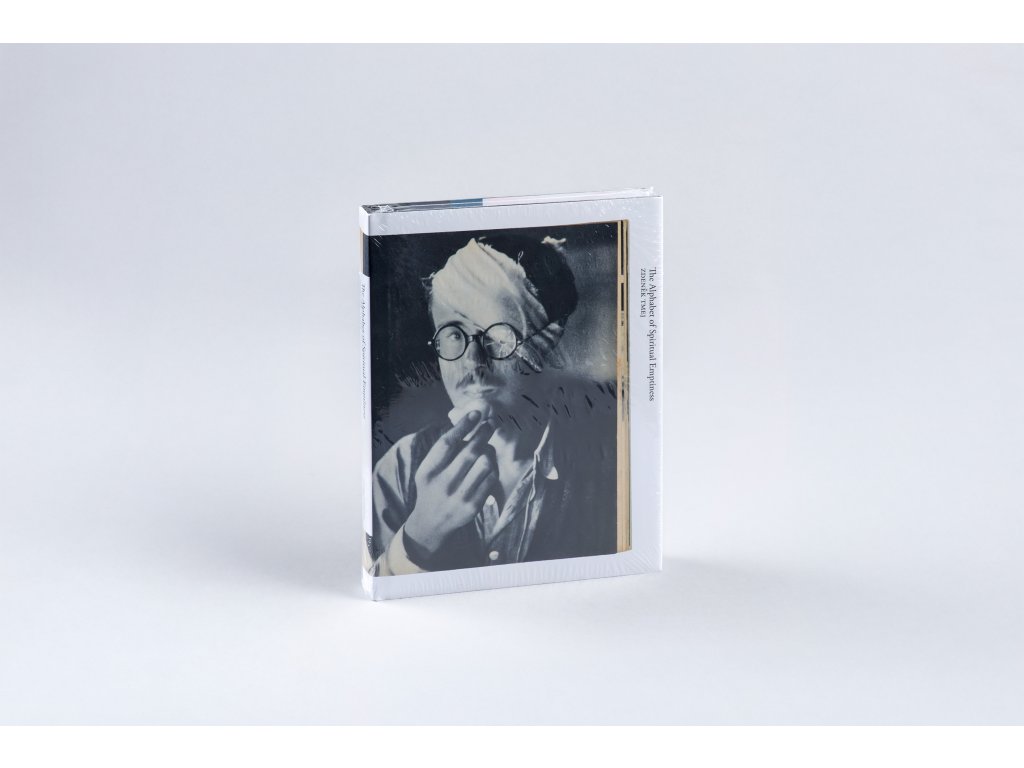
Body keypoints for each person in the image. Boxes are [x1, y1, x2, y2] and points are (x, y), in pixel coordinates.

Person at [369, 233, 618, 575]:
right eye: (453, 333)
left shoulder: (611, 464)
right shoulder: (399, 468)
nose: (473, 361)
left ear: (548, 345)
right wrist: (420, 535)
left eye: (500, 337)